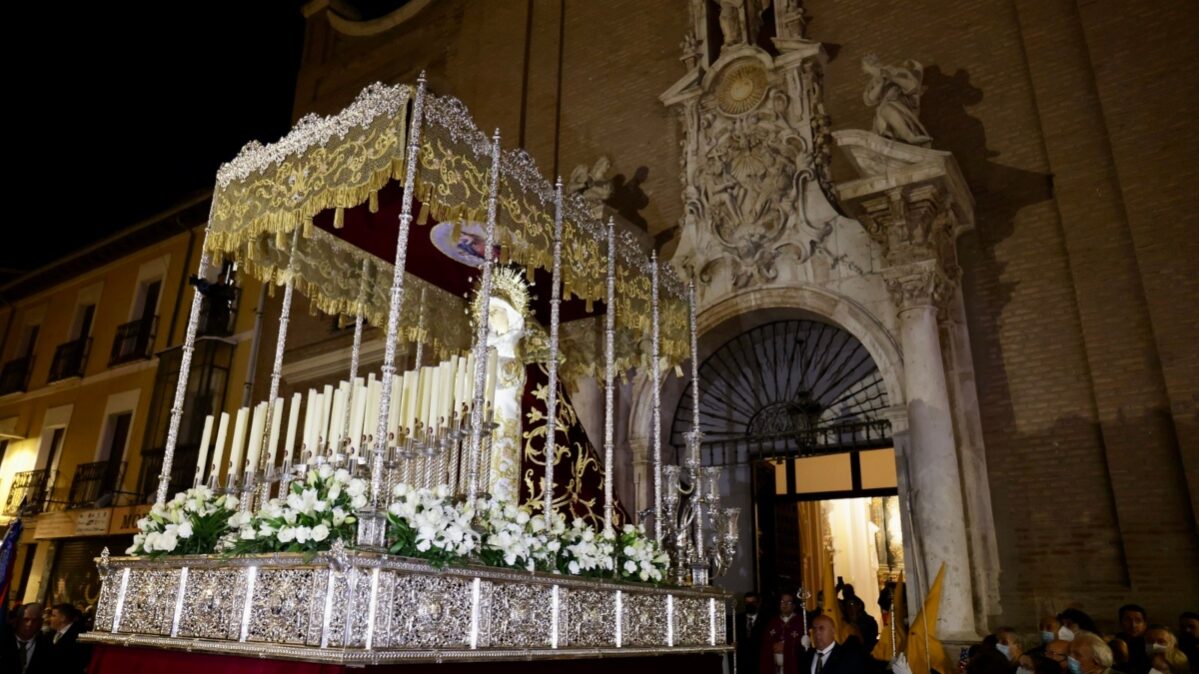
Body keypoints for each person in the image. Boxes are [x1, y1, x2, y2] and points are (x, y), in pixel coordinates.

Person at [798, 614, 867, 674]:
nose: (817, 633)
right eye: (814, 629)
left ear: (833, 631)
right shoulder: (806, 657)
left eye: (821, 628)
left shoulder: (848, 657)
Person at [761, 592, 806, 674]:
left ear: (794, 606)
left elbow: (802, 647)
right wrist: (773, 646)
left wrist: (786, 646)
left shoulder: (800, 622)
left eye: (788, 602)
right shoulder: (773, 623)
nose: (784, 605)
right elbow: (766, 644)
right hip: (775, 668)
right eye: (782, 602)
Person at [0, 603, 52, 673]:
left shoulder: (46, 646)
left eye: (35, 620)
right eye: (26, 619)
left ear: (40, 623)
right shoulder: (3, 640)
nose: (29, 624)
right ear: (17, 620)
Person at [46, 603, 90, 673]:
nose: (49, 618)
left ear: (63, 618)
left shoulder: (80, 637)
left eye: (53, 615)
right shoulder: (49, 634)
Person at [1112, 604, 1149, 672]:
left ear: (1144, 625)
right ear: (1120, 623)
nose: (1133, 625)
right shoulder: (1114, 643)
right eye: (1127, 620)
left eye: (1138, 620)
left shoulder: (1150, 643)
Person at [738, 591, 767, 674]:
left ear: (758, 603)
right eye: (747, 603)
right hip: (742, 662)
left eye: (753, 602)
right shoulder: (737, 619)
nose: (749, 605)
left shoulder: (766, 619)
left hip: (759, 660)